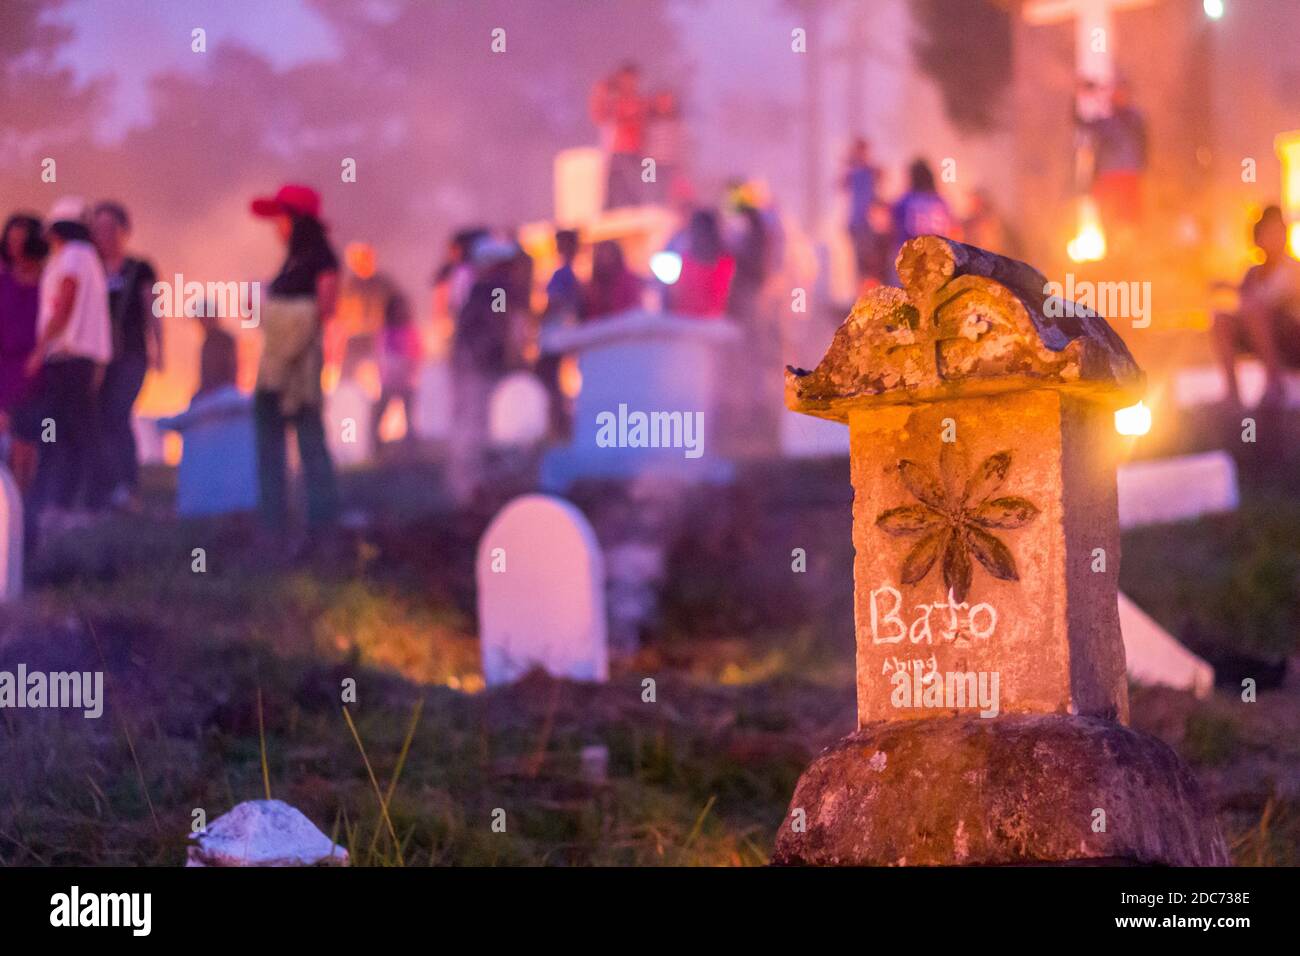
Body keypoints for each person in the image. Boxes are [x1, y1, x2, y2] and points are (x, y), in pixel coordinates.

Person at [249, 184, 340, 538]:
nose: (277, 227)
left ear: (297, 219)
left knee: (309, 440)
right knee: (269, 444)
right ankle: (273, 520)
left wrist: (286, 319)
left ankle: (322, 521)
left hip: (300, 370)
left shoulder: (323, 258)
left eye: (282, 218)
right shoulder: (291, 260)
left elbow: (325, 309)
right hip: (273, 369)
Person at [26, 197, 111, 536]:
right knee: (76, 430)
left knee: (71, 431)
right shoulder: (86, 257)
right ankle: (74, 500)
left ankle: (88, 500)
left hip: (68, 356)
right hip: (79, 357)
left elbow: (66, 300)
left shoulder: (74, 256)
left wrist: (40, 347)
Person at [90, 201, 160, 511]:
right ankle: (105, 487)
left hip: (131, 354)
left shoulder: (139, 269)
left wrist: (159, 349)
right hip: (97, 360)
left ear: (123, 230)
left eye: (109, 228)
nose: (103, 235)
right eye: (98, 229)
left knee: (117, 414)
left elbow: (152, 310)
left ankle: (127, 486)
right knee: (100, 418)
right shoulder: (88, 265)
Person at [448, 235, 516, 506]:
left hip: (474, 363)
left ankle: (469, 485)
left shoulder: (479, 288)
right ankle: (470, 487)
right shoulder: (495, 289)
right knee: (474, 425)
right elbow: (498, 322)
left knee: (474, 423)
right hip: (479, 365)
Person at [1211, 205, 1300, 409]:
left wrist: (1253, 305)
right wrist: (1227, 287)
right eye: (1269, 233)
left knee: (1255, 308)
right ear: (1258, 238)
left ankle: (1275, 383)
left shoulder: (1295, 268)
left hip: (1292, 336)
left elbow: (1282, 301)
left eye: (1279, 232)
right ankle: (1232, 392)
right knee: (1221, 317)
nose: (1275, 238)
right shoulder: (1252, 273)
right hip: (1259, 332)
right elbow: (1243, 304)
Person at [0, 213, 48, 493]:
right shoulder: (3, 280)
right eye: (12, 240)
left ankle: (24, 497)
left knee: (29, 437)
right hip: (6, 365)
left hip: (36, 366)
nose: (16, 247)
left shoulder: (49, 279)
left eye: (22, 240)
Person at [1078, 79, 1147, 245]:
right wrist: (1082, 94)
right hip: (1108, 177)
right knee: (1109, 216)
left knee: (1129, 217)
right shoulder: (1106, 122)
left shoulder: (1133, 117)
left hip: (1127, 175)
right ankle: (1114, 248)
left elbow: (1141, 137)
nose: (1115, 98)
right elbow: (1081, 122)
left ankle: (1129, 248)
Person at [590, 63, 648, 210]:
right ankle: (609, 211)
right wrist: (600, 92)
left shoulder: (641, 102)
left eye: (632, 79)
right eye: (625, 79)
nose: (629, 83)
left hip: (639, 152)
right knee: (615, 185)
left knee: (643, 182)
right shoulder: (614, 103)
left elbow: (646, 126)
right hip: (618, 150)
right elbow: (598, 117)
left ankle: (639, 208)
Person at [372, 290, 421, 449]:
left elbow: (416, 354)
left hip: (406, 382)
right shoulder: (385, 333)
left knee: (410, 419)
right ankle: (376, 447)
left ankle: (410, 449)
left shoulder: (410, 332)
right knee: (377, 417)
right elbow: (380, 356)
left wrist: (411, 371)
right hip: (389, 382)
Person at [891, 159, 956, 278]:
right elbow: (952, 228)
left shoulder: (906, 200)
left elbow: (893, 224)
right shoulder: (940, 201)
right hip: (937, 256)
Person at [670, 210, 734, 318]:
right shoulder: (686, 259)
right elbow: (677, 296)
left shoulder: (724, 262)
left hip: (711, 324)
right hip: (683, 322)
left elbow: (722, 298)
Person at [842, 138, 881, 285]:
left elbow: (880, 175)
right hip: (858, 221)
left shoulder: (868, 170)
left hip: (867, 222)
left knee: (869, 259)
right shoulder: (854, 171)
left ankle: (868, 289)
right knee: (862, 260)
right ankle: (863, 290)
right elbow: (842, 183)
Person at [581, 241, 641, 321]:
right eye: (601, 256)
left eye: (608, 255)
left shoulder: (628, 281)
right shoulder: (593, 287)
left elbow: (633, 309)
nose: (605, 259)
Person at [644, 90, 686, 205]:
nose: (664, 105)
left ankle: (664, 208)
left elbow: (679, 145)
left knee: (668, 189)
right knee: (649, 186)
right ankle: (648, 207)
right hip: (650, 161)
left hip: (668, 161)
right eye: (662, 101)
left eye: (668, 102)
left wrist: (679, 162)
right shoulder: (648, 122)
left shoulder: (676, 124)